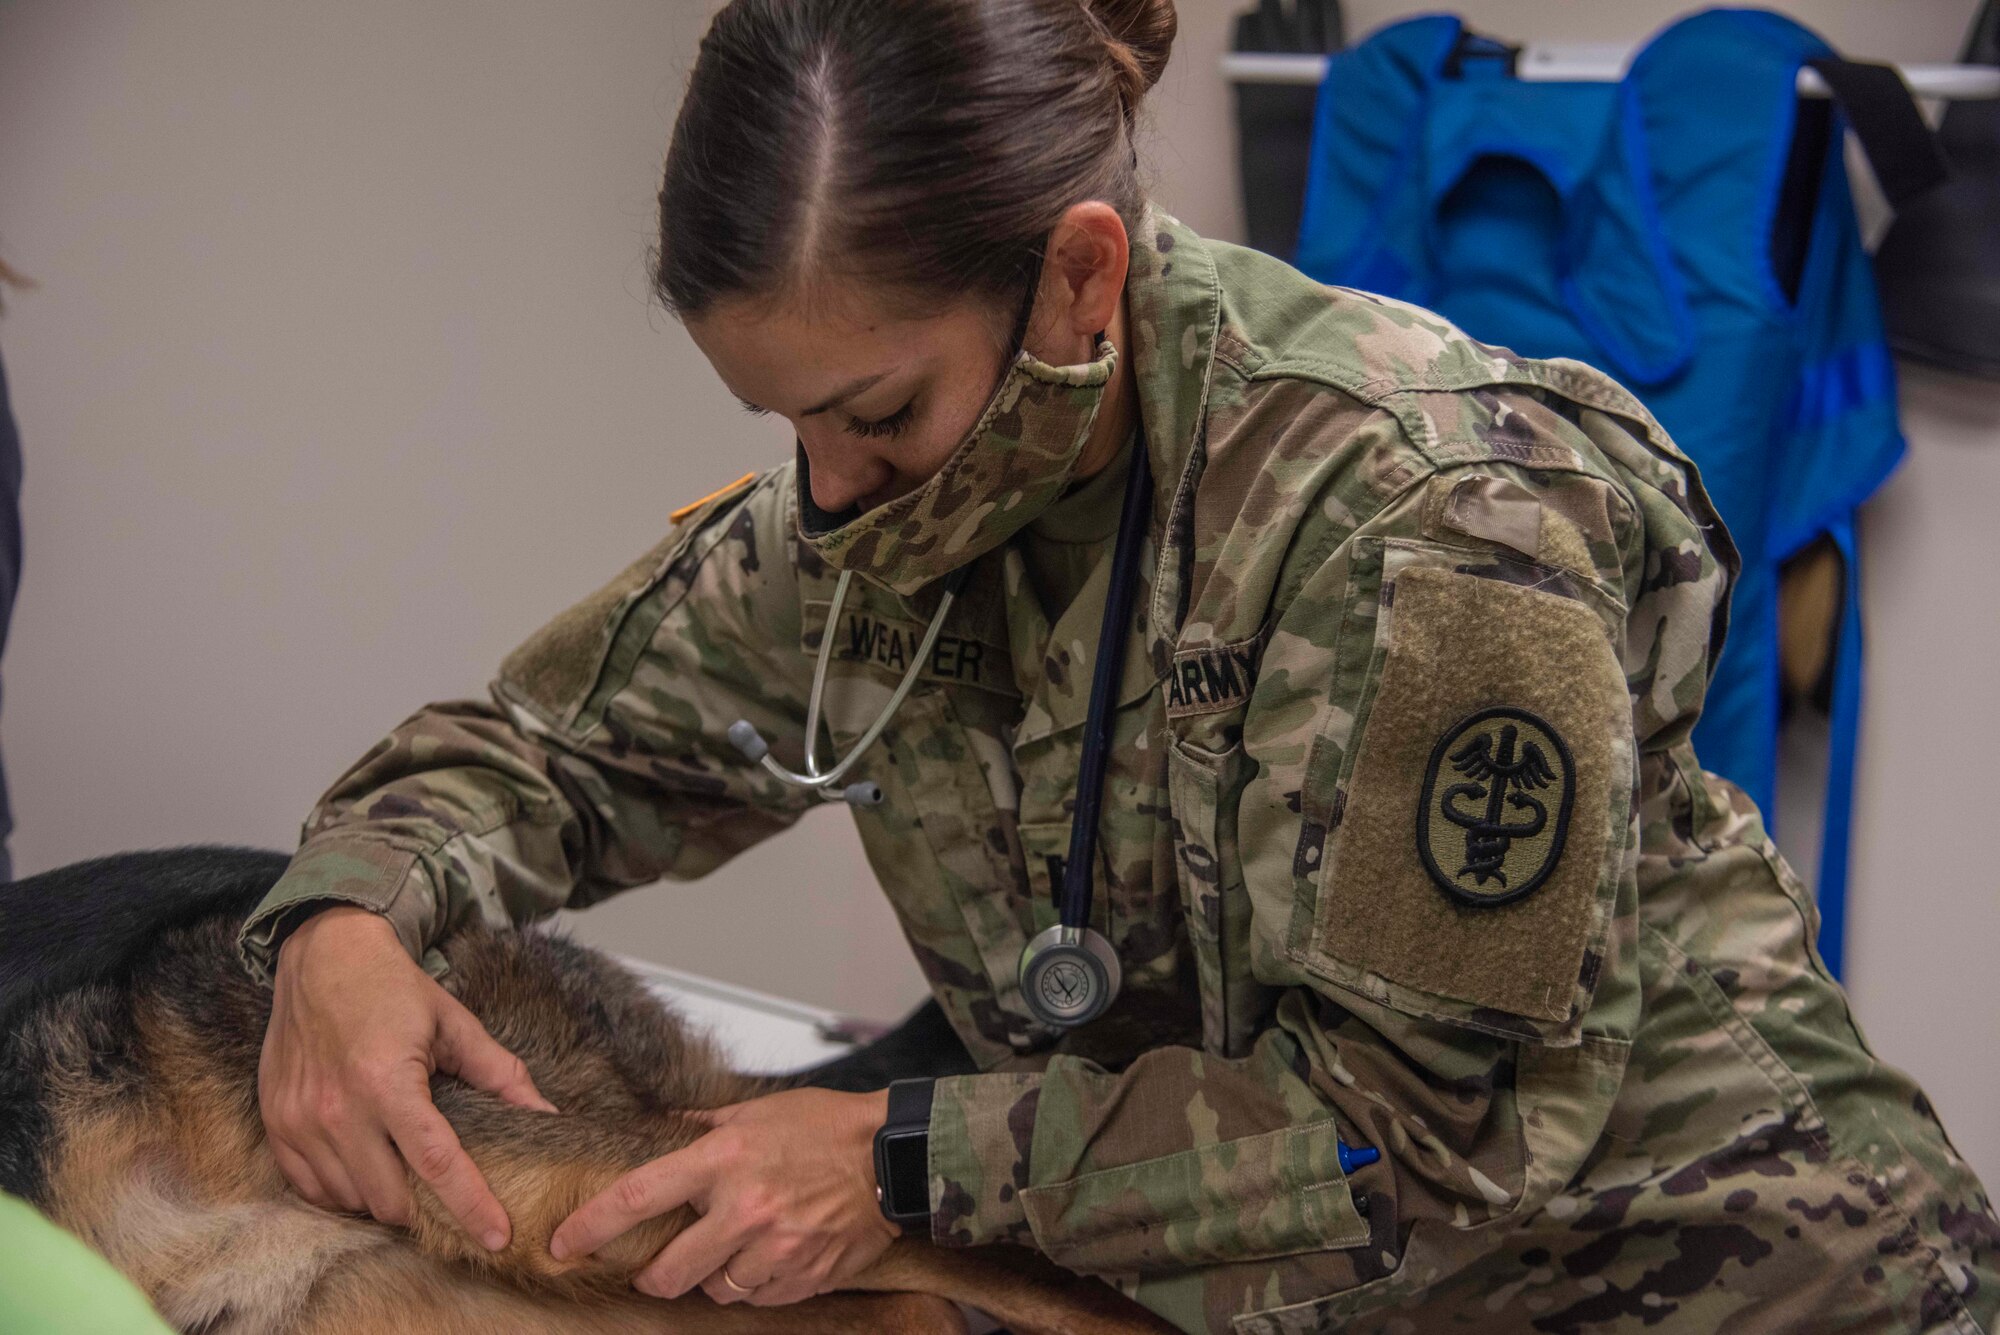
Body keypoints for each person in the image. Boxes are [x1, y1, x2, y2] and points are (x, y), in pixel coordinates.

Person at [241, 1, 1999, 1331]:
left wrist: (895, 1158)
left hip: (1717, 1285)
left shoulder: (1444, 525)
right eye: (789, 428)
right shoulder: (874, 525)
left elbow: (1422, 1145)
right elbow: (542, 750)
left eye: (877, 413)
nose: (831, 493)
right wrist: (340, 924)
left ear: (1079, 281)